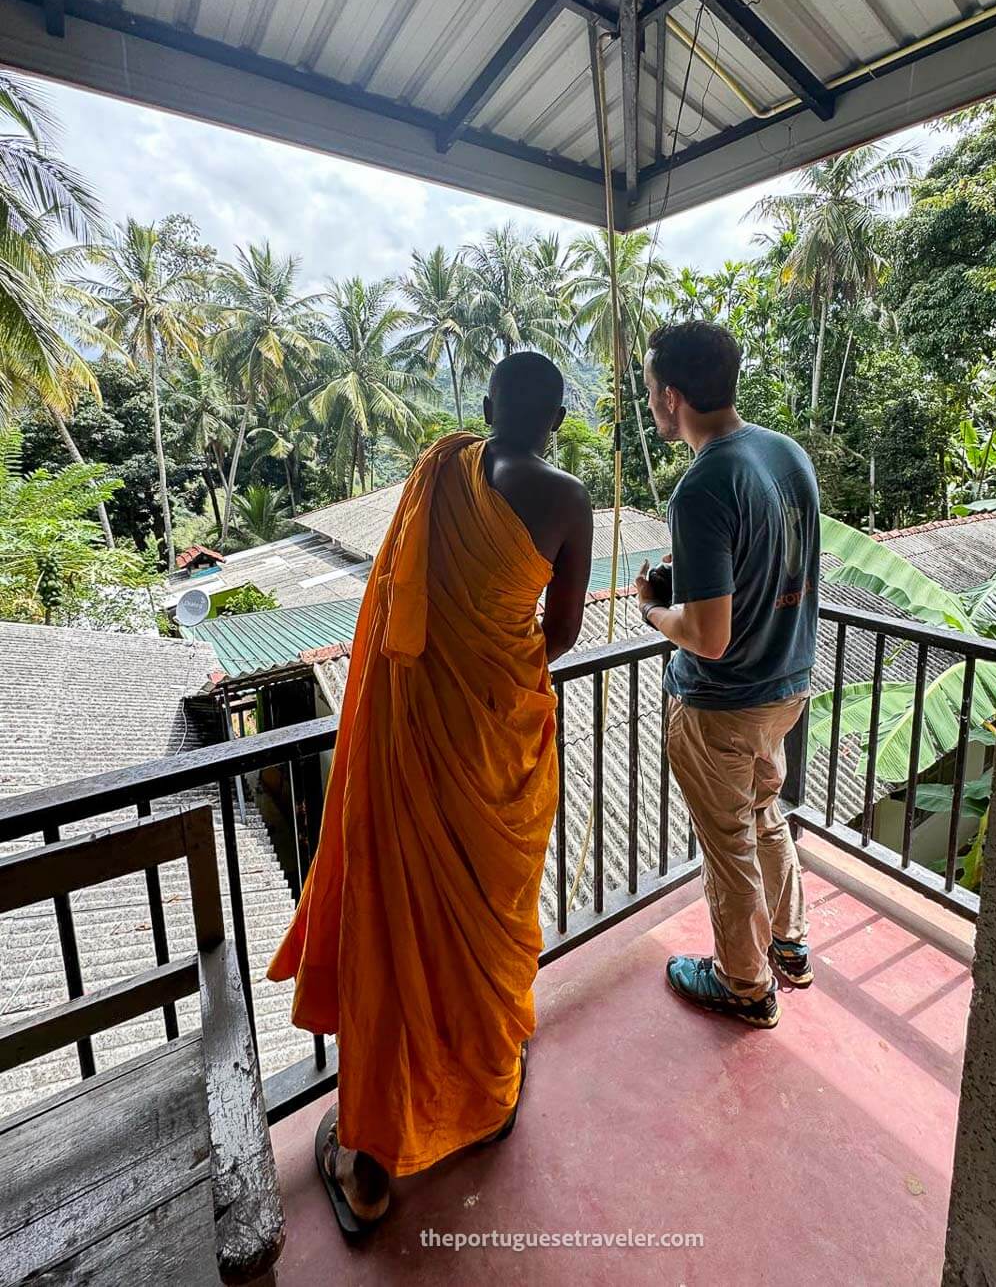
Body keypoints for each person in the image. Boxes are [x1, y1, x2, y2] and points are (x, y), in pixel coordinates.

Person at [268, 352, 593, 1234]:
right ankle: (483, 1084)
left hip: (412, 737)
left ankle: (369, 1160)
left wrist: (446, 664)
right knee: (487, 914)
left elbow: (394, 604)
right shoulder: (567, 499)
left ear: (485, 407)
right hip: (497, 736)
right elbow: (557, 633)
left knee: (398, 923)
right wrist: (487, 669)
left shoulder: (438, 470)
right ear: (557, 421)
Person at [634, 320, 819, 1030]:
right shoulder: (783, 452)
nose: (652, 401)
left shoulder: (702, 485)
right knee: (765, 814)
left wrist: (654, 610)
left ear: (670, 397)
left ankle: (742, 984)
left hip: (723, 703)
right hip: (787, 685)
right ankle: (789, 944)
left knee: (727, 846)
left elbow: (707, 638)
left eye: (651, 390)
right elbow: (769, 561)